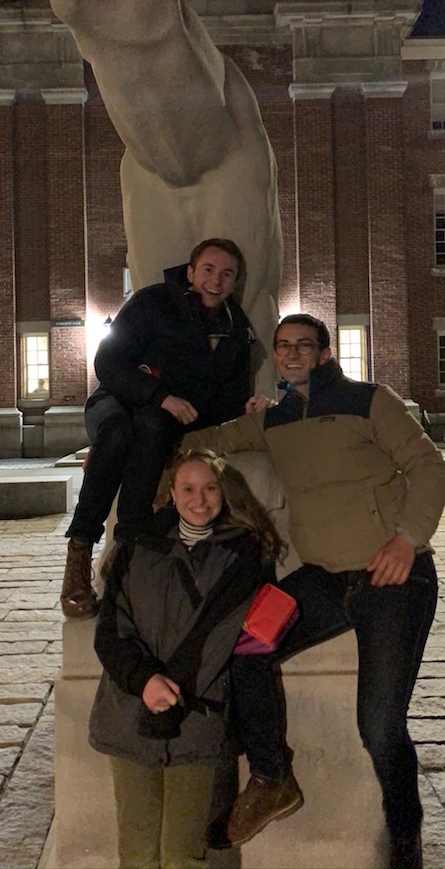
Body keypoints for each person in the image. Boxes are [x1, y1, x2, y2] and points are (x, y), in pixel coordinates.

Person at [183, 314, 445, 869]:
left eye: (304, 345)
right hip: (324, 579)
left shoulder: (372, 401)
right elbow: (210, 440)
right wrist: (131, 455)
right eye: (283, 347)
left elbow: (429, 467)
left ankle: (407, 838)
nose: (292, 354)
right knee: (246, 644)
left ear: (325, 353)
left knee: (378, 725)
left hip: (394, 577)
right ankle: (272, 778)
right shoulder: (274, 421)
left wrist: (406, 540)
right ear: (276, 358)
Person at [88, 449, 288, 869]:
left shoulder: (244, 554)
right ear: (172, 495)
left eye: (210, 488)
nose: (200, 499)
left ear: (224, 493)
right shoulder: (138, 544)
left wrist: (170, 691)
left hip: (196, 718)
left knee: (182, 854)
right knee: (138, 852)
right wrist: (144, 681)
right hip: (130, 712)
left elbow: (224, 635)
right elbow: (110, 630)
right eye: (189, 489)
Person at [60, 239, 256, 620]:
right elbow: (109, 361)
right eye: (208, 270)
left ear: (234, 282)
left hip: (159, 422)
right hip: (116, 401)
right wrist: (159, 395)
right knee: (117, 434)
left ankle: (126, 553)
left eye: (227, 274)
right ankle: (80, 550)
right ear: (190, 272)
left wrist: (247, 412)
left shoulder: (237, 331)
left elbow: (228, 402)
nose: (216, 281)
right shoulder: (152, 303)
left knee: (150, 427)